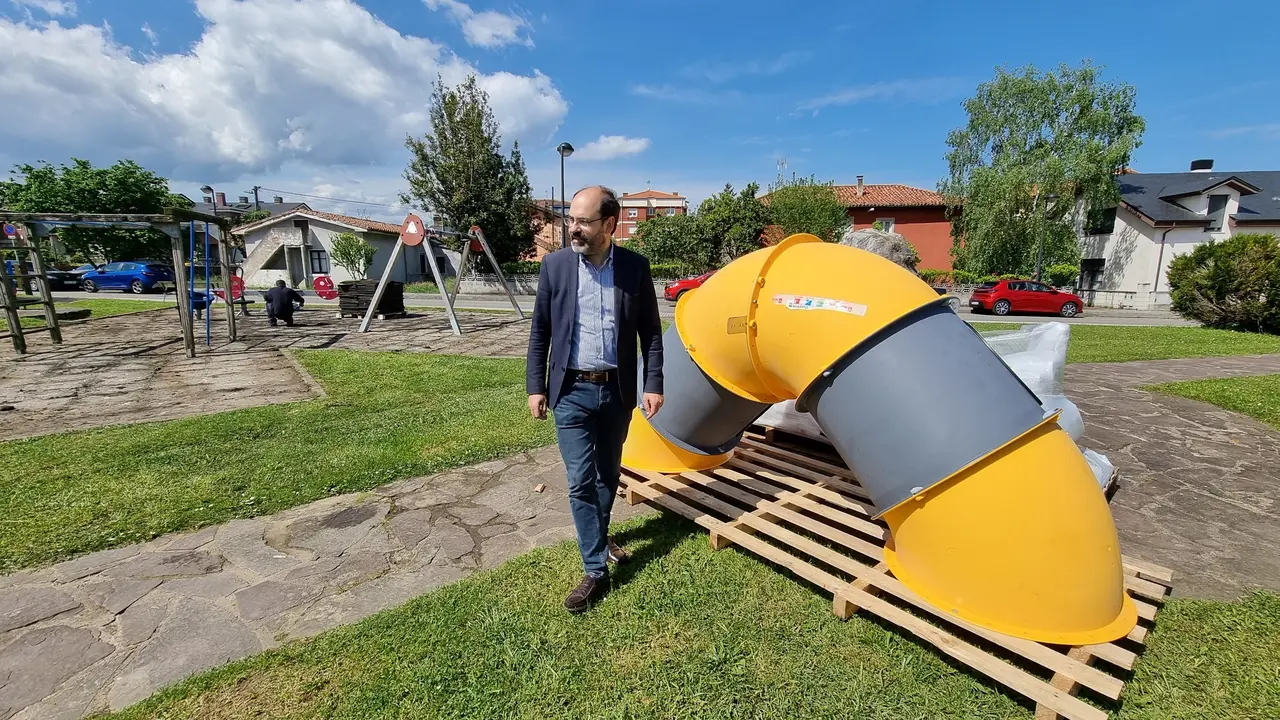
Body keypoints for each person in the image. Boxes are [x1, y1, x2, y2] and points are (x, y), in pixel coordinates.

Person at [526, 185, 664, 614]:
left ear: (610, 224)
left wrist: (653, 383)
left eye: (583, 221)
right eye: (571, 220)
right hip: (570, 392)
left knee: (608, 476)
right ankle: (594, 570)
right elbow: (540, 332)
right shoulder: (555, 266)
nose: (574, 229)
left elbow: (652, 334)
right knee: (581, 480)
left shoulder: (635, 268)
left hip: (617, 391)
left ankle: (600, 537)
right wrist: (536, 386)